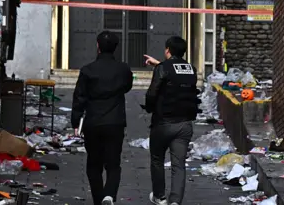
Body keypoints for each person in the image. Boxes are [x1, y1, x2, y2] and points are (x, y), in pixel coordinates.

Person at [71, 31, 133, 205]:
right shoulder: (123, 69)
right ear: (115, 48)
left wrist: (76, 121)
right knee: (113, 164)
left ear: (98, 46)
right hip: (115, 122)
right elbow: (127, 87)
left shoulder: (88, 70)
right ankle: (109, 194)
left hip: (93, 122)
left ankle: (99, 199)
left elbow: (79, 97)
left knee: (94, 164)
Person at [143, 36, 201, 205]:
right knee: (179, 164)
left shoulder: (163, 68)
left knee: (157, 159)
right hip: (184, 124)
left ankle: (159, 197)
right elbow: (178, 76)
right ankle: (175, 201)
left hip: (163, 123)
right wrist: (159, 64)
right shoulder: (191, 68)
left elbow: (152, 93)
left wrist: (149, 108)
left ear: (167, 50)